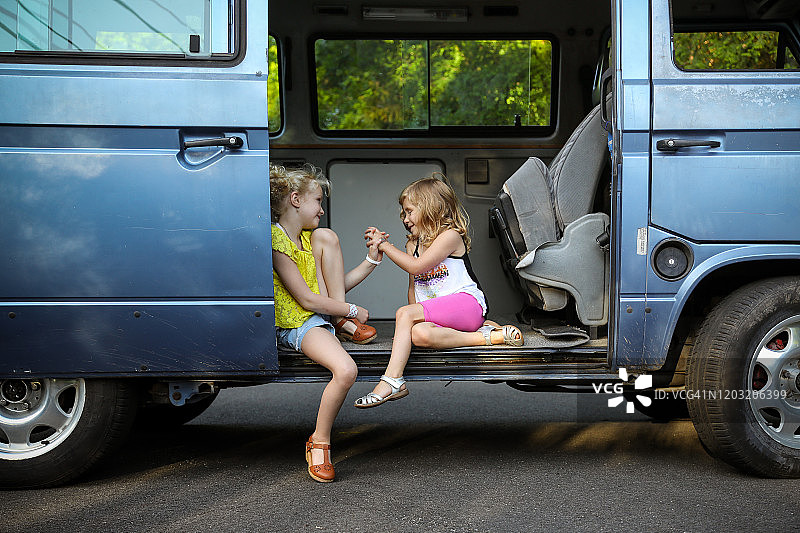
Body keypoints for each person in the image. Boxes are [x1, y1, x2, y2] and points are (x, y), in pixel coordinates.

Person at [355, 175, 523, 408]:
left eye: (410, 211)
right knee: (418, 334)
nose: (405, 218)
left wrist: (384, 246)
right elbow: (414, 287)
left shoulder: (449, 237)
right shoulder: (411, 245)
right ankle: (486, 337)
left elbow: (417, 266)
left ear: (430, 208)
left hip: (468, 305)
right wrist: (407, 331)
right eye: (403, 213)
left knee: (403, 314)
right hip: (443, 316)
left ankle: (392, 380)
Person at [270, 163, 381, 482]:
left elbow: (332, 288)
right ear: (295, 200)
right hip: (298, 323)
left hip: (319, 316)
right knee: (346, 371)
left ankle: (341, 321)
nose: (321, 209)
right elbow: (306, 300)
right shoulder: (278, 242)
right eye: (317, 201)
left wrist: (371, 261)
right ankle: (319, 442)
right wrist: (352, 309)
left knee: (326, 235)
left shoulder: (309, 240)